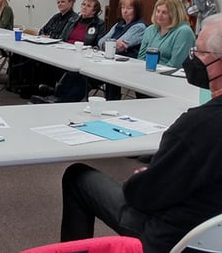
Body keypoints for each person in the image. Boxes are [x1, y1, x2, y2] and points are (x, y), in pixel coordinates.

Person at [60, 13, 222, 253]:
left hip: (174, 238)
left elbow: (144, 198)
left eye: (198, 52)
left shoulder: (197, 126)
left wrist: (142, 178)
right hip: (212, 232)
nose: (193, 58)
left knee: (77, 178)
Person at [32, 0, 106, 103]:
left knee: (76, 73)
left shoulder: (99, 24)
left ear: (94, 11)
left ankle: (60, 99)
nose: (84, 7)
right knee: (44, 61)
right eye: (83, 4)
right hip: (66, 51)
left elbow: (98, 43)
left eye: (88, 6)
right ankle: (53, 95)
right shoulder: (73, 20)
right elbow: (63, 36)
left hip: (83, 56)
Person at [97, 0, 147, 100]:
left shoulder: (139, 26)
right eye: (123, 8)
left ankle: (112, 101)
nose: (124, 11)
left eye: (129, 8)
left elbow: (121, 45)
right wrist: (108, 44)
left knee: (109, 73)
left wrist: (108, 44)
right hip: (112, 60)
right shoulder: (118, 24)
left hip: (129, 64)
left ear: (137, 10)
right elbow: (101, 41)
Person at [137, 0, 196, 68]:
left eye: (164, 12)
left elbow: (176, 64)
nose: (159, 15)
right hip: (147, 72)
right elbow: (140, 58)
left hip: (171, 76)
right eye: (158, 11)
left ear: (174, 15)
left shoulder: (184, 32)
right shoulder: (150, 29)